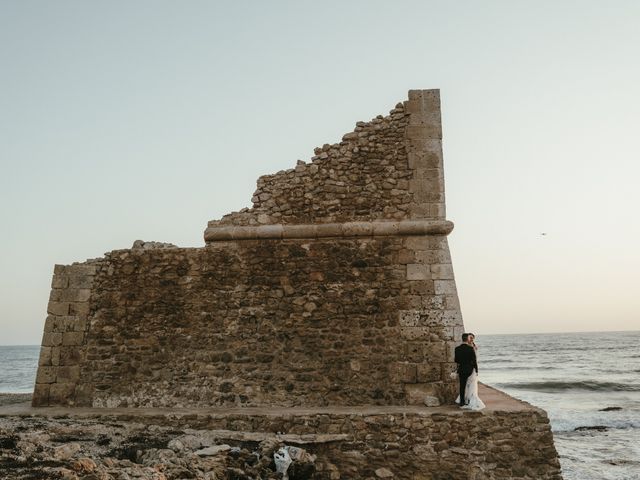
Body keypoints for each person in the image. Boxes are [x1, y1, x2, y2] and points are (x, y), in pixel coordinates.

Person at [454, 333, 482, 409]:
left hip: (461, 369)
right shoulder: (470, 349)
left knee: (462, 386)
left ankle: (462, 402)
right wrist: (476, 370)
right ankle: (469, 400)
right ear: (467, 339)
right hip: (469, 370)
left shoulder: (457, 349)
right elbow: (474, 361)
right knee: (470, 386)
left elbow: (456, 360)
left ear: (462, 339)